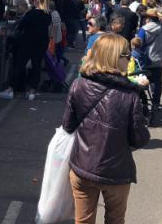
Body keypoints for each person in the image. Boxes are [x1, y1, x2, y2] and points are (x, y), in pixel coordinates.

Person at [63, 33, 150, 224]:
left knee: (83, 221)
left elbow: (68, 126)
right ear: (114, 58)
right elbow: (139, 139)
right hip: (116, 172)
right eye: (127, 55)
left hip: (83, 166)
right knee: (115, 220)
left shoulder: (78, 85)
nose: (130, 59)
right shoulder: (130, 95)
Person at [0, 0, 52, 101]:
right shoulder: (48, 14)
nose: (32, 1)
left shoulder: (31, 13)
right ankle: (32, 92)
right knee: (36, 67)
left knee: (19, 66)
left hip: (27, 42)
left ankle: (10, 90)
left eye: (34, 0)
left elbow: (20, 26)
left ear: (36, 1)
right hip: (41, 44)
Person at [137, 9, 162, 108]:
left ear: (148, 18)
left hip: (144, 60)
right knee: (157, 82)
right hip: (158, 60)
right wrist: (161, 56)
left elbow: (138, 45)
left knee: (141, 82)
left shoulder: (144, 29)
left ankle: (143, 102)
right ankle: (156, 103)